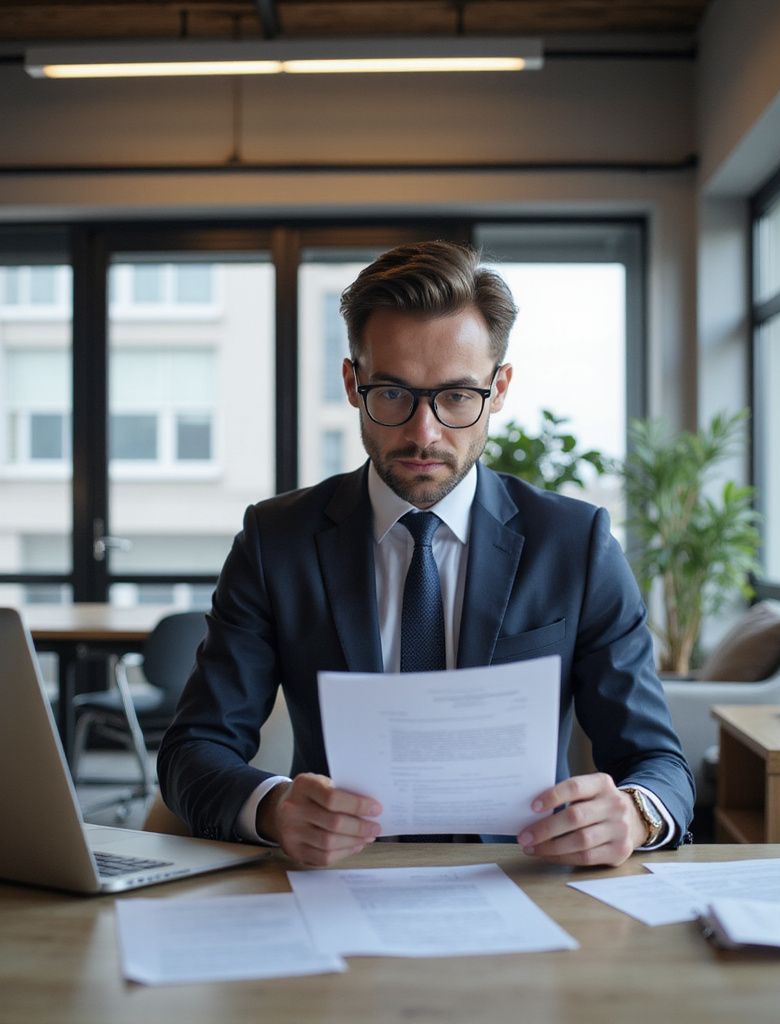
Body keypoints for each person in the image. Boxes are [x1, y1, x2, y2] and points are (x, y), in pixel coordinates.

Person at [158, 240, 694, 868]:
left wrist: (631, 815)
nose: (424, 432)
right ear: (352, 383)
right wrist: (274, 808)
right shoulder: (277, 542)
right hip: (333, 885)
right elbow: (193, 751)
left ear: (499, 390)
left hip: (523, 882)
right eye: (392, 393)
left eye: (458, 397)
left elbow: (659, 764)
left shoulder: (574, 544)